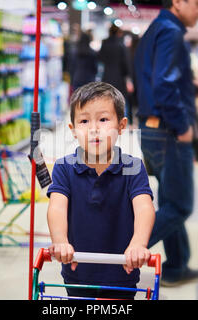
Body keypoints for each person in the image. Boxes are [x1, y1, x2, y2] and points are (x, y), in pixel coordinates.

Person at [46, 82, 155, 299]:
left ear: (122, 126)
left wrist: (138, 244)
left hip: (122, 270)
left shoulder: (133, 167)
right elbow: (56, 208)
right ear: (73, 130)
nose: (94, 129)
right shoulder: (64, 168)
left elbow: (144, 208)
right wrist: (60, 241)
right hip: (77, 270)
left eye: (103, 120)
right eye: (84, 121)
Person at [134, 0, 198, 287]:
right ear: (178, 2)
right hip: (168, 132)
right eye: (197, 4)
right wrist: (183, 126)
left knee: (170, 199)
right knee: (180, 206)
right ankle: (120, 255)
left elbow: (155, 79)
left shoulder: (156, 29)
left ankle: (177, 266)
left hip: (152, 130)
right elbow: (164, 84)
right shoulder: (171, 32)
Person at [98, 25, 130, 116]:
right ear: (118, 33)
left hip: (106, 76)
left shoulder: (105, 43)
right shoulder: (121, 45)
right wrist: (128, 77)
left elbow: (100, 58)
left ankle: (106, 118)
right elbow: (125, 63)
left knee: (107, 99)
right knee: (121, 100)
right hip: (119, 77)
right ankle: (121, 122)